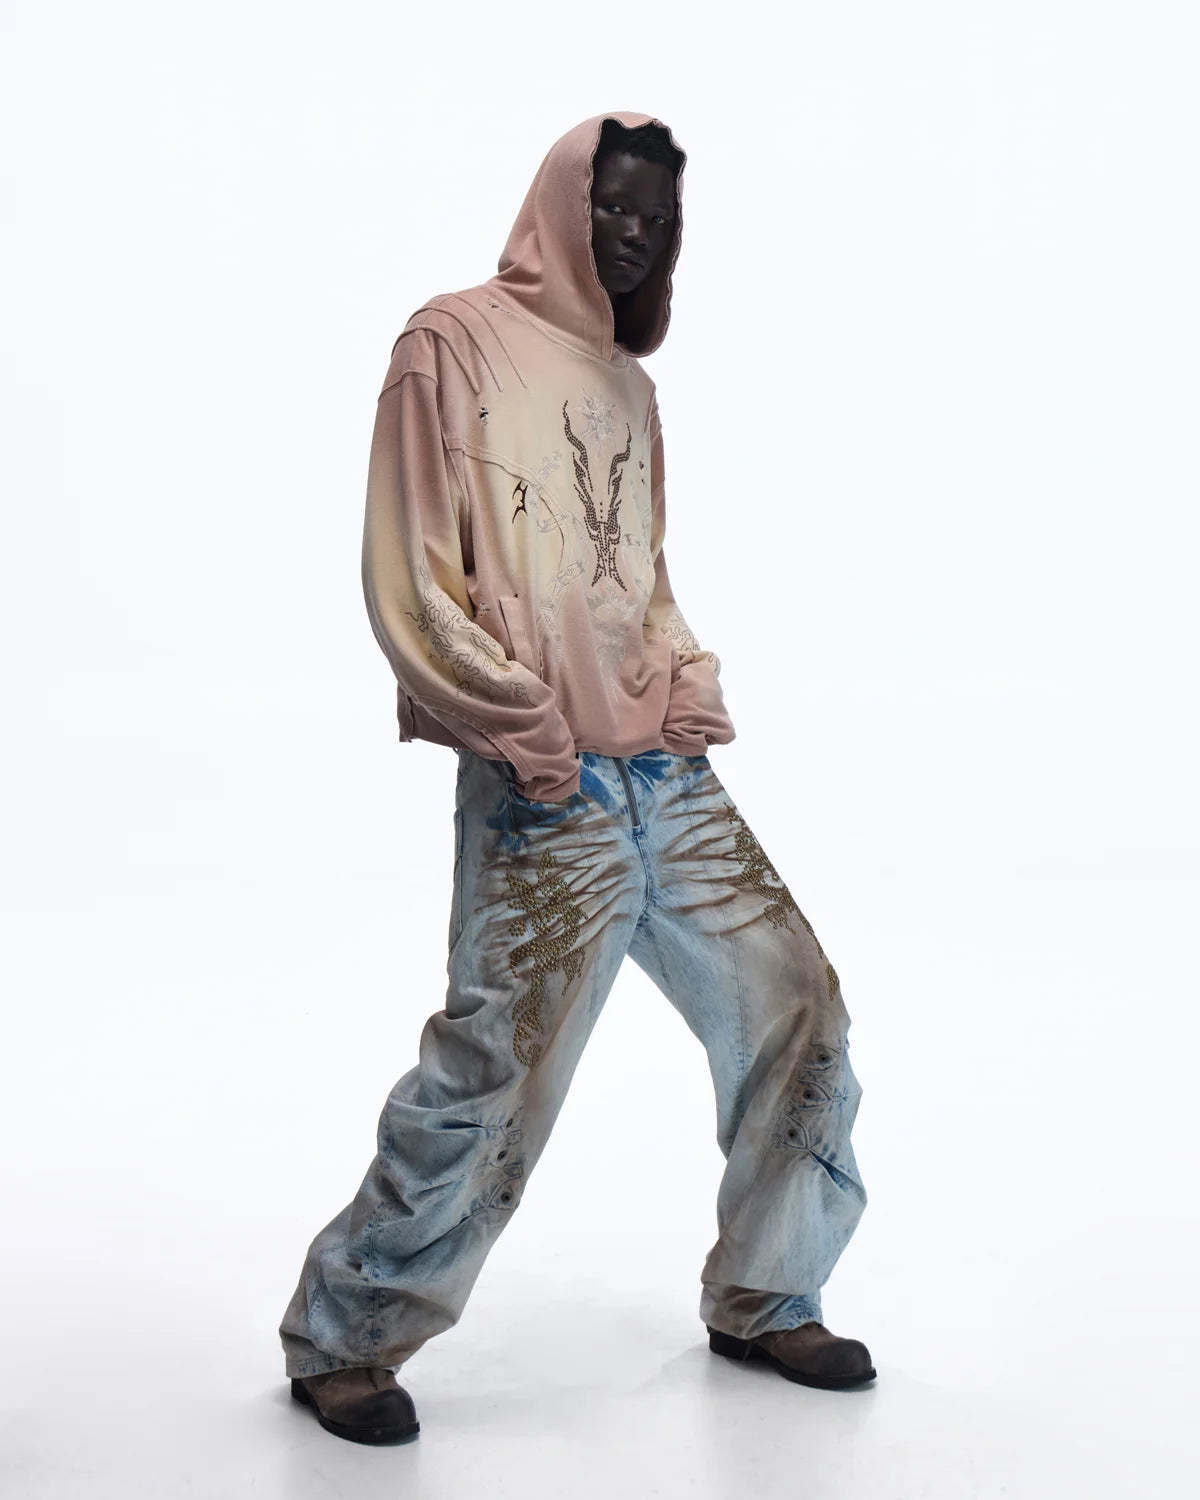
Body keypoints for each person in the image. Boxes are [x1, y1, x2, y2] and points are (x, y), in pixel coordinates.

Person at [279, 110, 875, 1447]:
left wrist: (684, 679)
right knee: (496, 1071)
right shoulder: (450, 342)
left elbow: (636, 580)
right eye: (614, 204)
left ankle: (767, 1292)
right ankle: (346, 1334)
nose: (635, 231)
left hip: (663, 775)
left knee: (800, 1004)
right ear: (561, 201)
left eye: (658, 216)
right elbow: (409, 575)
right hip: (537, 783)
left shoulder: (628, 387)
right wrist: (521, 729)